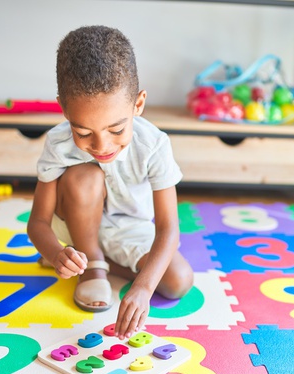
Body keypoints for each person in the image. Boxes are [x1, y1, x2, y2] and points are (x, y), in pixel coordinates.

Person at [27, 25, 194, 339]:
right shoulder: (58, 144)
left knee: (178, 281)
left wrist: (144, 287)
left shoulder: (154, 144)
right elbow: (37, 222)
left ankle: (94, 261)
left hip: (130, 228)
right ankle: (87, 261)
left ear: (138, 104)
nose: (101, 146)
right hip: (75, 222)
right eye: (84, 133)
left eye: (116, 130)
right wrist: (53, 252)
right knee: (85, 175)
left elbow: (168, 227)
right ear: (63, 108)